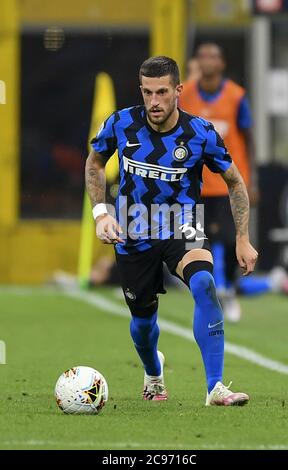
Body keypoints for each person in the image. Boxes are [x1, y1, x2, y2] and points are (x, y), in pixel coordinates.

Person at [85, 56, 258, 405]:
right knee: (144, 323)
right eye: (147, 92)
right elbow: (94, 163)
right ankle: (153, 373)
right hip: (134, 229)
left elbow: (235, 183)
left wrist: (242, 237)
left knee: (205, 283)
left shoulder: (200, 133)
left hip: (184, 223)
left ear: (178, 90)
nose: (154, 101)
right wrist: (102, 214)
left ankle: (215, 387)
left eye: (162, 92)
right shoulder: (121, 123)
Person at [179, 43, 258, 322]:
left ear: (222, 63)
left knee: (230, 239)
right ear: (197, 62)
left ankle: (231, 291)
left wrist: (251, 181)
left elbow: (248, 137)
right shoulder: (184, 94)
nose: (207, 61)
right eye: (202, 56)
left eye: (213, 56)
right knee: (198, 243)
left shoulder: (236, 96)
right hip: (194, 186)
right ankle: (207, 295)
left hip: (227, 184)